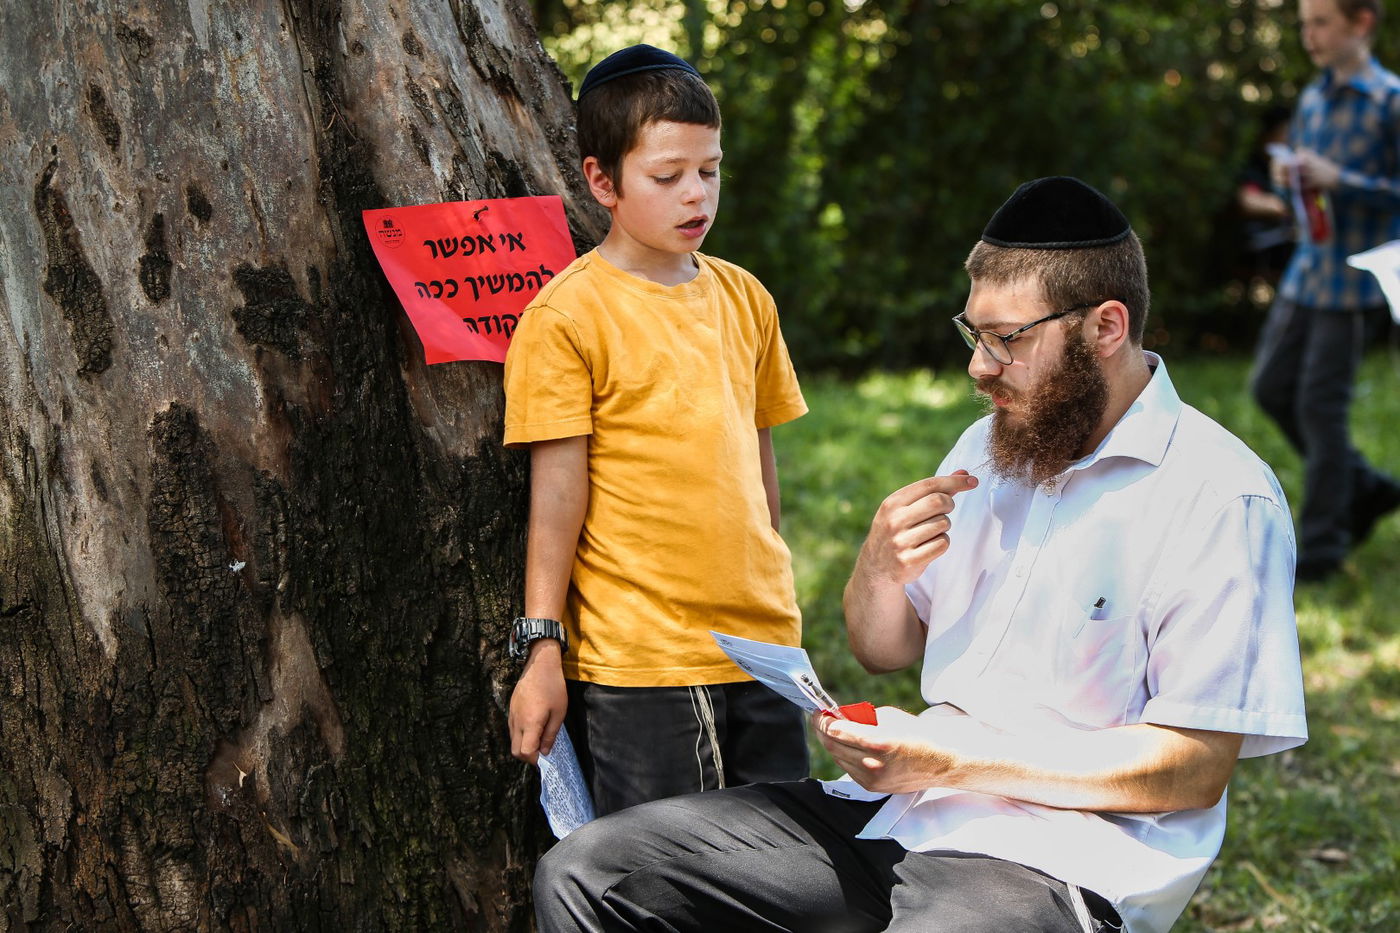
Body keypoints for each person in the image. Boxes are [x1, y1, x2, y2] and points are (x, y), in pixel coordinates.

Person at [531, 177, 1308, 933]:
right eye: (974, 332)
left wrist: (953, 761)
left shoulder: (1219, 494)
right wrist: (877, 566)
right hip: (897, 818)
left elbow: (1193, 766)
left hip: (1061, 861)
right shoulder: (991, 446)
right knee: (593, 870)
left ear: (1105, 327)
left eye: (1008, 339)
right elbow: (882, 649)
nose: (979, 366)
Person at [501, 45, 810, 816]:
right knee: (672, 888)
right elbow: (558, 495)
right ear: (602, 181)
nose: (695, 195)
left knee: (790, 872)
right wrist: (543, 648)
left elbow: (759, 465)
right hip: (643, 665)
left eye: (709, 170)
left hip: (766, 651)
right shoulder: (567, 316)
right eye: (666, 176)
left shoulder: (747, 299)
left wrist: (775, 586)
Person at [1253, 0, 1400, 582]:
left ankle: (1321, 549)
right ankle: (1365, 487)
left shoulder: (1390, 101)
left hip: (1356, 281)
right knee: (1270, 388)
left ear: (1360, 23)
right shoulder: (1311, 99)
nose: (1308, 35)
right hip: (1306, 273)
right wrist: (1287, 180)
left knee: (1320, 408)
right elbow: (1305, 200)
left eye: (1320, 23)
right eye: (1303, 24)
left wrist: (1345, 181)